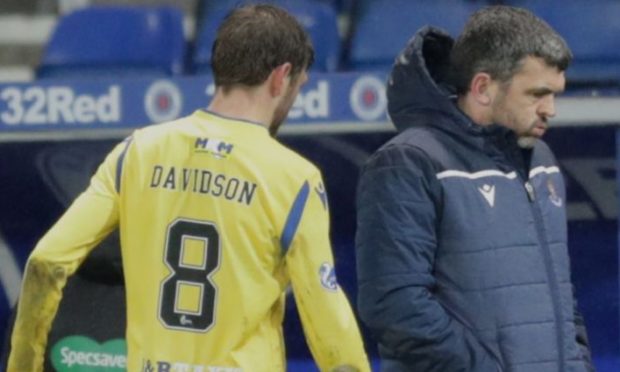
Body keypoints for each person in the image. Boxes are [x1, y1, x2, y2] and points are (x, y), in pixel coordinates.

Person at [8, 4, 370, 372]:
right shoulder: (295, 178)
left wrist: (23, 362)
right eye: (298, 87)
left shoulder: (136, 151)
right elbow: (325, 316)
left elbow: (46, 261)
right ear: (281, 78)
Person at [355, 5, 593, 372]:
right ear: (483, 87)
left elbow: (558, 293)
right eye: (537, 94)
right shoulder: (409, 162)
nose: (551, 110)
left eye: (556, 94)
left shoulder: (540, 158)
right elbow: (396, 304)